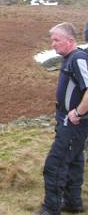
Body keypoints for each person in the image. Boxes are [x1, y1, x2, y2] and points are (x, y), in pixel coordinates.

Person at [35, 23, 88, 215]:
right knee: (74, 162)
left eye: (57, 40)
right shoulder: (69, 58)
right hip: (69, 122)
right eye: (52, 40)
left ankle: (51, 208)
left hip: (73, 123)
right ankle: (73, 203)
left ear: (70, 40)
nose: (53, 44)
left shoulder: (78, 58)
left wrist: (78, 113)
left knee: (54, 165)